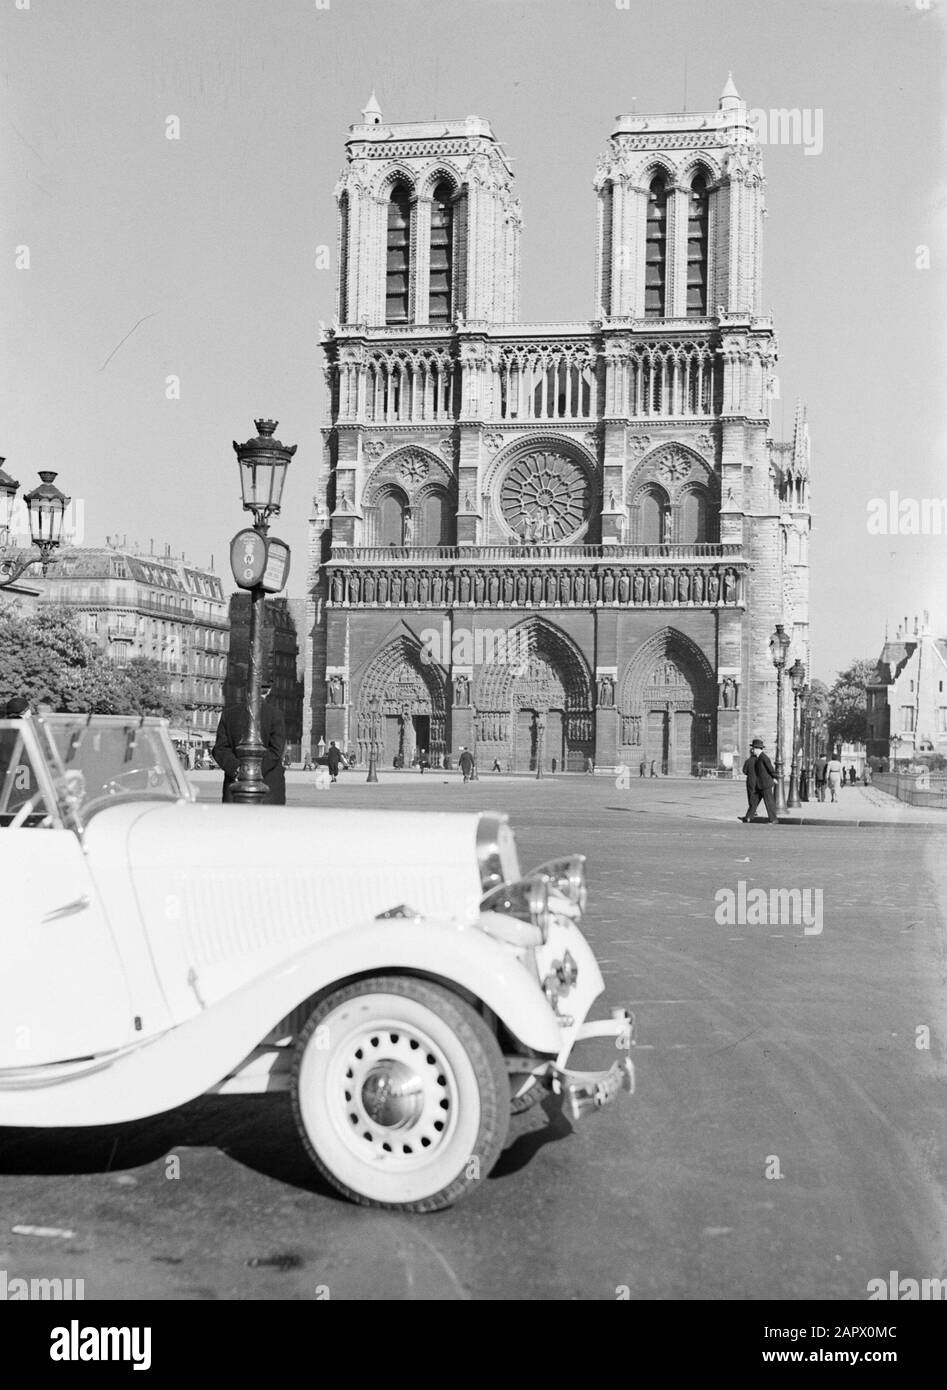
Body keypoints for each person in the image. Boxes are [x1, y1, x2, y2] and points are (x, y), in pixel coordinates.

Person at [212, 683, 286, 804]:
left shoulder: (229, 714)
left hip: (235, 788)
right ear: (269, 691)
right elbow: (276, 751)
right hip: (269, 788)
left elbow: (220, 749)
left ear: (246, 689)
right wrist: (256, 771)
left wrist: (237, 769)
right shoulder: (275, 715)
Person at [745, 737, 778, 823]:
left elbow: (770, 769)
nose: (752, 750)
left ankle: (773, 819)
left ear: (757, 749)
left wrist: (774, 777)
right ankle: (748, 817)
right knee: (754, 801)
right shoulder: (758, 757)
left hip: (765, 784)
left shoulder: (764, 758)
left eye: (753, 748)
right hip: (760, 784)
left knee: (769, 802)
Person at [741, 744, 761, 822]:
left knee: (751, 796)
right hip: (758, 780)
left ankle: (752, 812)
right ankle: (753, 811)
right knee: (757, 796)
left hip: (750, 780)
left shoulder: (748, 761)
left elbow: (744, 771)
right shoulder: (759, 760)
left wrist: (749, 773)